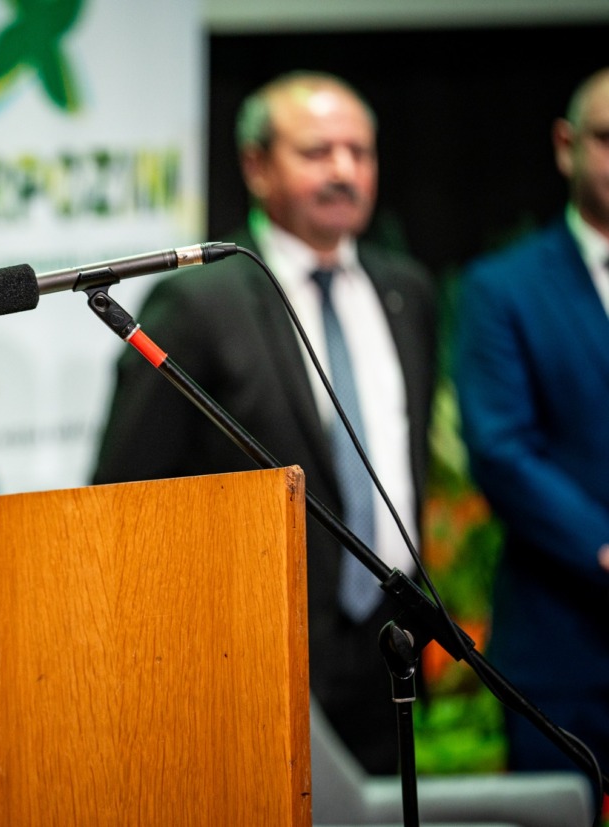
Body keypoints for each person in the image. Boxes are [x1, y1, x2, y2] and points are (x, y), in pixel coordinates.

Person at [92, 71, 437, 775]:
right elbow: (125, 490)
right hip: (256, 648)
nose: (344, 171)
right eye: (317, 152)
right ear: (256, 165)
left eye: (359, 152)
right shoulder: (198, 302)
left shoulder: (407, 290)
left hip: (390, 647)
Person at [455, 68, 609, 781]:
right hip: (564, 642)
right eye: (607, 139)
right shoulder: (503, 287)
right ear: (565, 145)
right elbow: (500, 449)